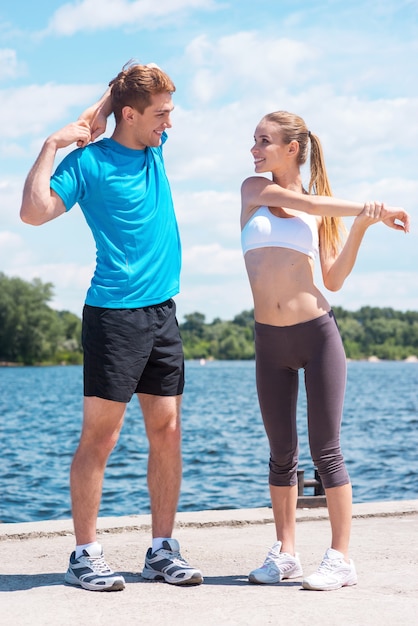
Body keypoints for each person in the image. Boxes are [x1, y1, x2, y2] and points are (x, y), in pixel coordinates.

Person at [20, 61, 203, 591]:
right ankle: (84, 553)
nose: (168, 123)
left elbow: (120, 95)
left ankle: (162, 550)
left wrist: (108, 98)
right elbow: (34, 213)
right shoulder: (88, 164)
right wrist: (51, 145)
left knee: (167, 430)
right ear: (131, 115)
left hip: (162, 313)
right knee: (101, 437)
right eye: (161, 113)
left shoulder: (154, 148)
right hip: (114, 316)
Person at [240, 110, 410, 591]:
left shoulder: (321, 211)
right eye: (254, 140)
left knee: (326, 451)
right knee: (280, 454)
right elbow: (299, 201)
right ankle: (286, 554)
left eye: (264, 140)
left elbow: (332, 279)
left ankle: (340, 559)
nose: (254, 149)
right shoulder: (253, 191)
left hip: (317, 335)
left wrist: (363, 225)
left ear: (292, 147)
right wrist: (363, 207)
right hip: (268, 340)